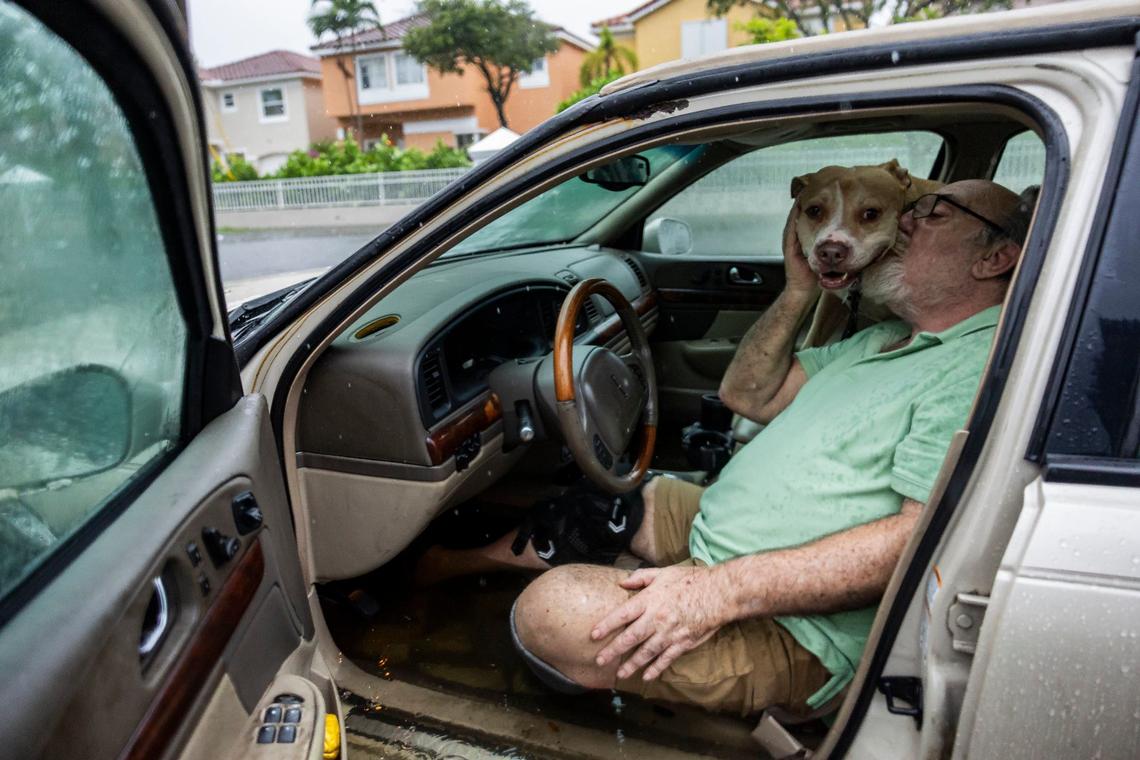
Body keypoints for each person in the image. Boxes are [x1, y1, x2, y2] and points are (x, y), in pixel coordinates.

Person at [502, 179, 1035, 718]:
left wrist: (717, 592)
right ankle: (468, 562)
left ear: (995, 257)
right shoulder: (888, 338)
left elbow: (914, 540)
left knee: (552, 613)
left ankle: (631, 604)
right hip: (723, 537)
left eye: (933, 214)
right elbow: (747, 393)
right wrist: (800, 291)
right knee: (595, 507)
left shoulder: (978, 366)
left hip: (801, 626)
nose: (904, 222)